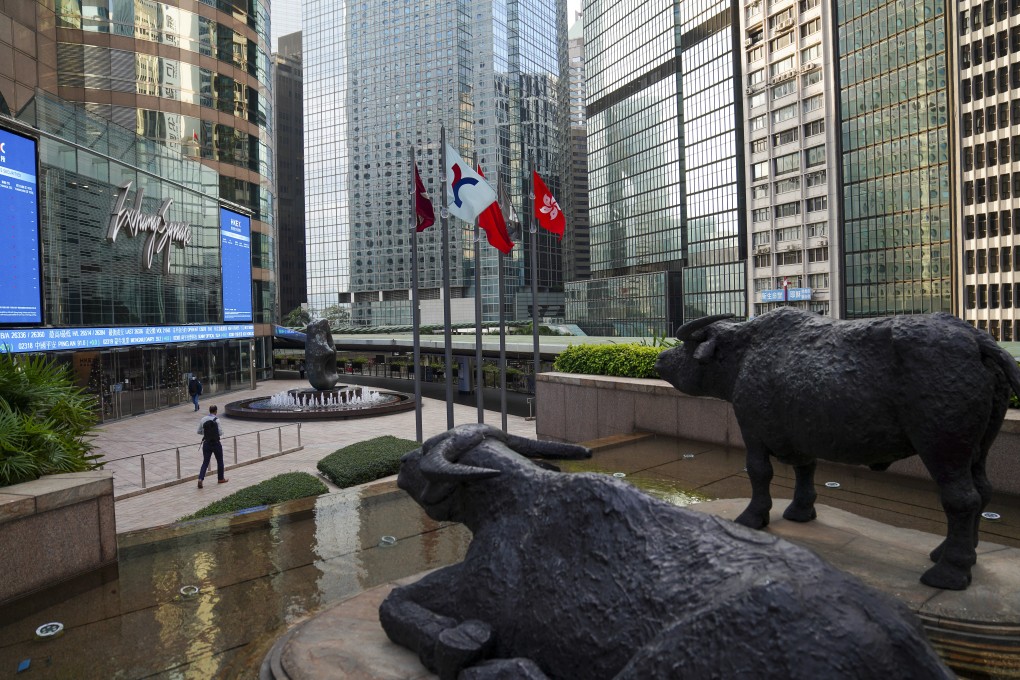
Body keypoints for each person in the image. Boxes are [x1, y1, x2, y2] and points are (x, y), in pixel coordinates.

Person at [196, 405, 227, 488]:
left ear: (209, 411)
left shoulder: (203, 419)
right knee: (220, 461)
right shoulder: (217, 420)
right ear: (216, 411)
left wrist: (207, 434)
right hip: (216, 443)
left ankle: (200, 479)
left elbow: (199, 431)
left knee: (205, 462)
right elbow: (220, 433)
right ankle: (220, 478)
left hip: (207, 443)